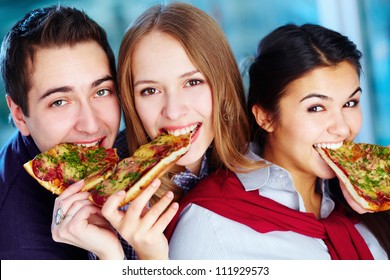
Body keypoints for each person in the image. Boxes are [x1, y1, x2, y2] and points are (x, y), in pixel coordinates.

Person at [50, 2, 265, 260]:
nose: (173, 111)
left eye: (192, 82)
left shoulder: (267, 147)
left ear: (222, 82)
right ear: (131, 101)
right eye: (150, 90)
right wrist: (116, 257)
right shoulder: (118, 198)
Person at [165, 24, 390, 259]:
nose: (343, 128)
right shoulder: (209, 224)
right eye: (316, 108)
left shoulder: (369, 197)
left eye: (350, 103)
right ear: (266, 117)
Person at [0, 5, 122, 259]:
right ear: (20, 114)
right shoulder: (19, 251)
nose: (90, 125)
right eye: (59, 102)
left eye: (101, 91)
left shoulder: (129, 148)